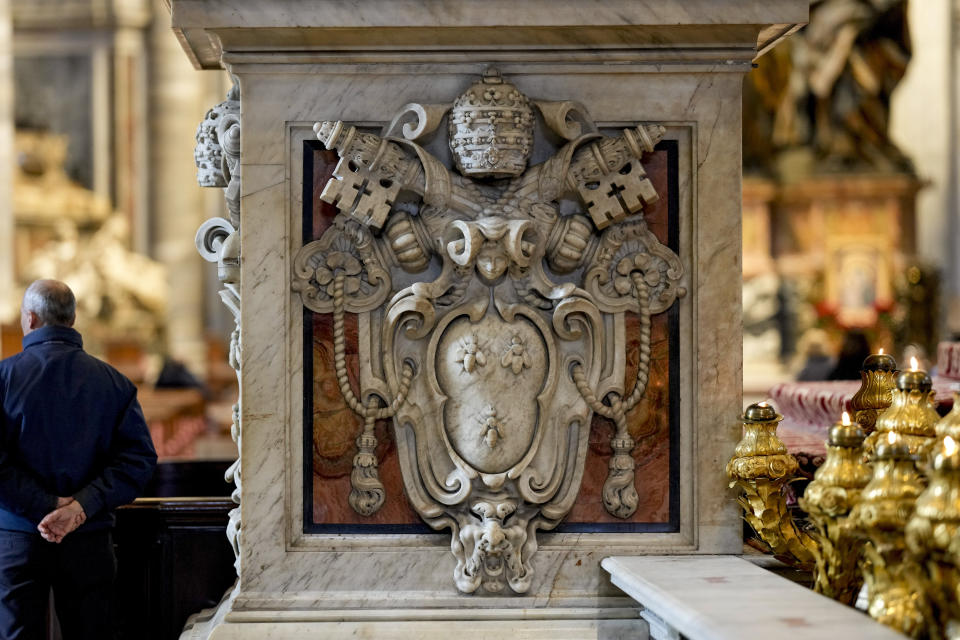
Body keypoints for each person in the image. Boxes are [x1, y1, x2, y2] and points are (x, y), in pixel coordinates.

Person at [0, 279, 157, 639]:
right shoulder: (114, 382)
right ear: (72, 320)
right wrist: (79, 508)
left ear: (31, 319)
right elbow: (138, 461)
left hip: (18, 538)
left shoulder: (4, 378)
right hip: (88, 538)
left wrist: (43, 505)